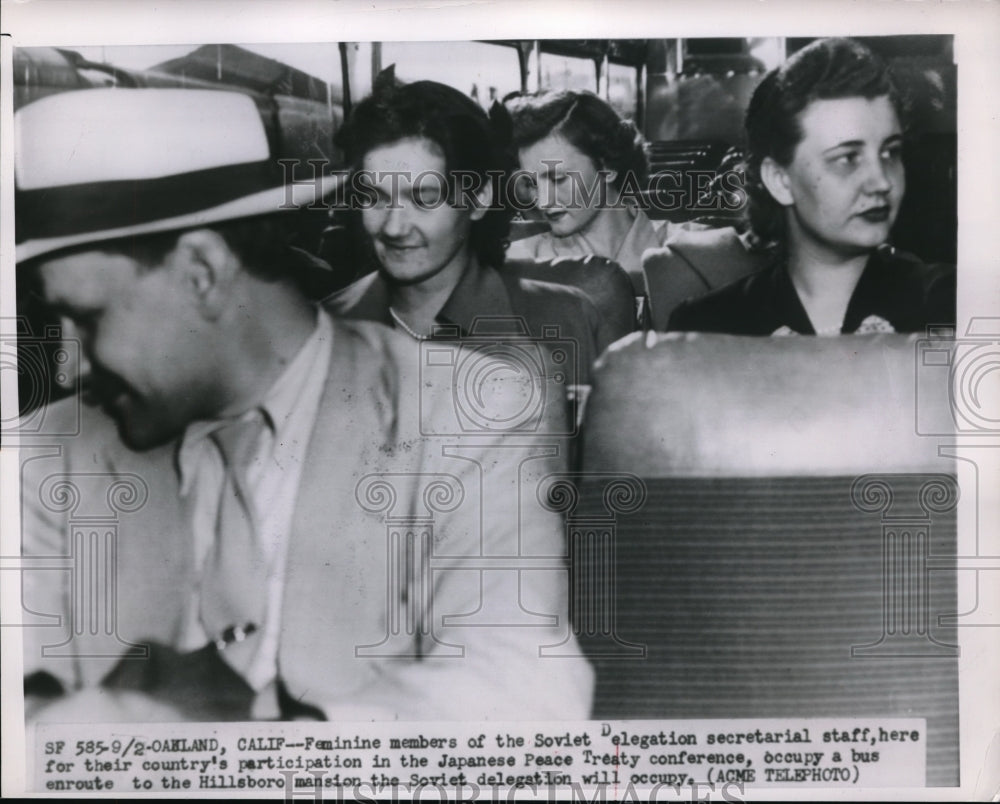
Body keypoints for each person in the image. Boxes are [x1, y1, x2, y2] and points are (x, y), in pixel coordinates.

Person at [15, 86, 593, 722]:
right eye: (375, 198)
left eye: (87, 318)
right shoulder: (43, 455)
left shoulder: (472, 412)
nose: (70, 365)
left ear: (203, 271)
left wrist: (250, 730)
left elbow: (523, 690)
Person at [325, 72, 615, 383]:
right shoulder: (325, 327)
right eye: (375, 198)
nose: (394, 228)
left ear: (479, 199)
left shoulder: (565, 319)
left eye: (424, 199)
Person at [667, 38, 955, 335]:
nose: (881, 181)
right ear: (779, 180)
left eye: (889, 152)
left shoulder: (951, 303)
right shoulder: (706, 329)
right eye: (848, 158)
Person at [505, 90, 674, 294]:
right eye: (532, 184)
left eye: (557, 179)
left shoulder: (690, 254)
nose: (541, 202)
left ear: (607, 167)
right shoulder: (517, 265)